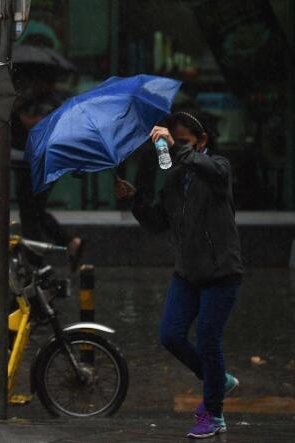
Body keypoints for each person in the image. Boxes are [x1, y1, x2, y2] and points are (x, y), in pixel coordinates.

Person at [115, 111, 243, 439]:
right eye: (173, 140)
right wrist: (134, 200)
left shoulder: (218, 169)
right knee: (170, 335)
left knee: (208, 339)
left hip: (220, 273)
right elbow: (159, 222)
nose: (173, 147)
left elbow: (210, 169)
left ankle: (214, 416)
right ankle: (220, 381)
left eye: (184, 140)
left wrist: (177, 149)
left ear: (202, 142)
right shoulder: (174, 181)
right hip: (186, 274)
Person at [12, 73, 83, 264]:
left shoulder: (51, 101)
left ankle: (36, 258)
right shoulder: (32, 99)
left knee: (31, 212)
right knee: (34, 211)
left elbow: (37, 124)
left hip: (41, 163)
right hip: (29, 161)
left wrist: (19, 112)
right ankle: (66, 242)